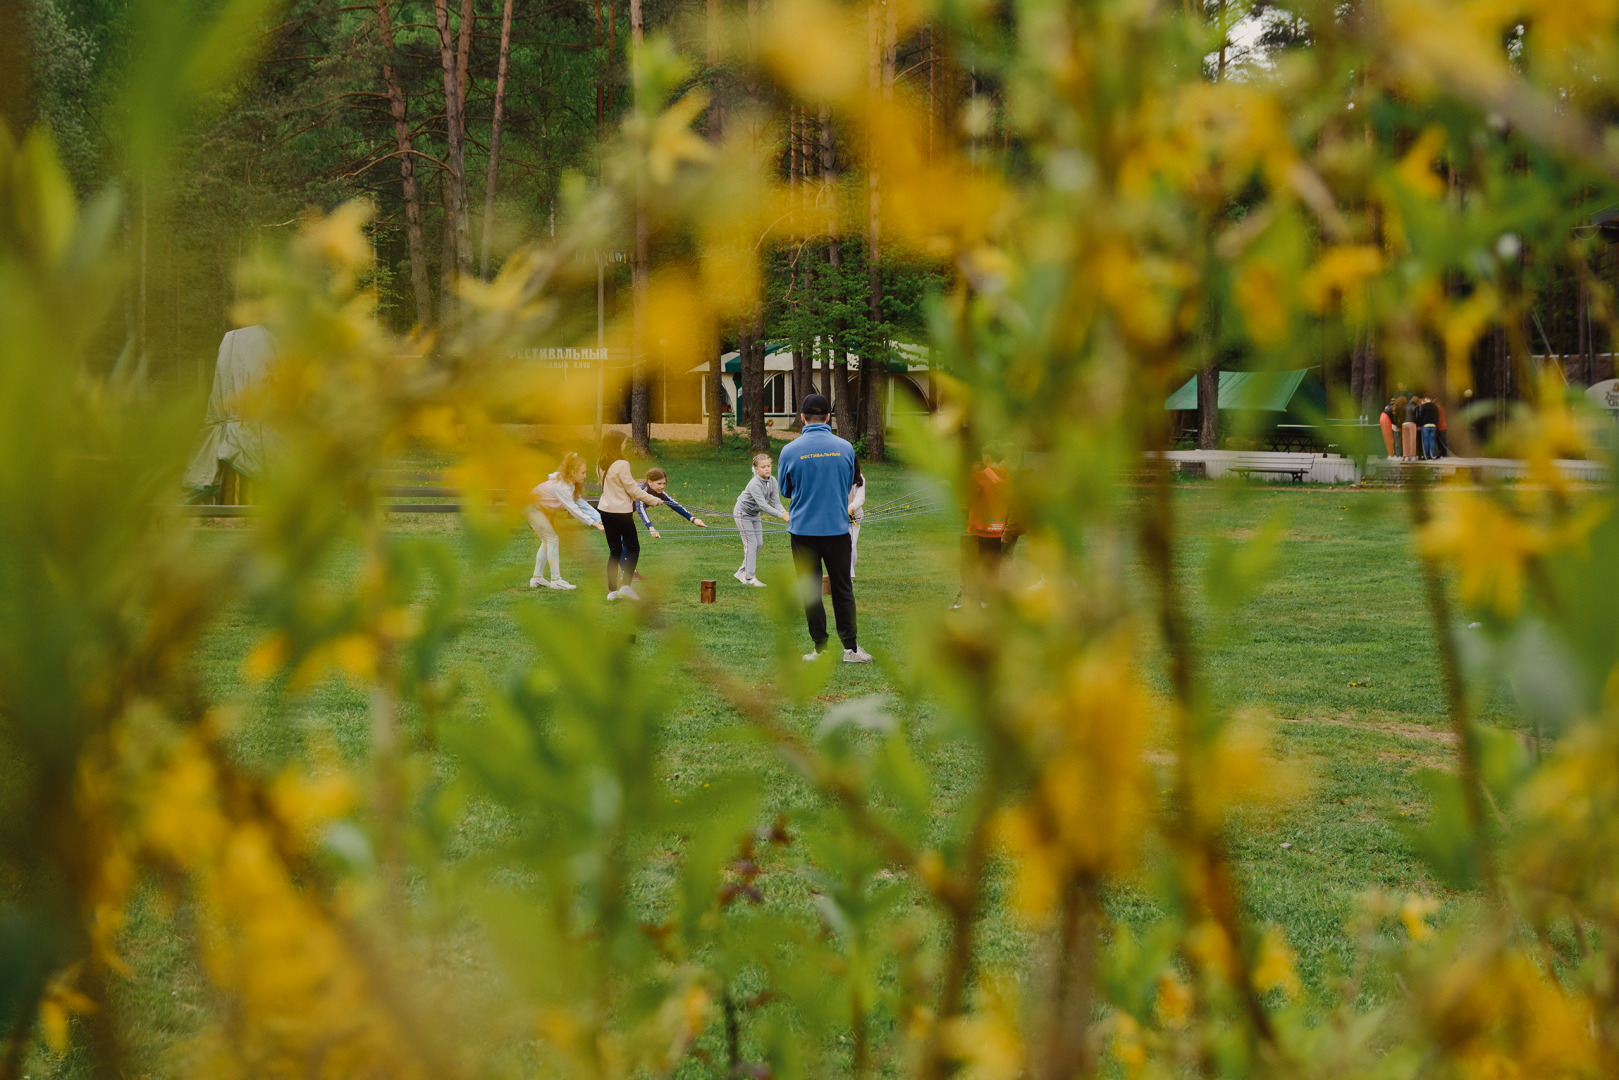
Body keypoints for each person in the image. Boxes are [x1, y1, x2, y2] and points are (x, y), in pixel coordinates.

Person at [778, 393, 871, 663]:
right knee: (843, 589)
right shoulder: (845, 447)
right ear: (828, 417)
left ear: (803, 417)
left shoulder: (789, 450)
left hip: (803, 531)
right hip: (837, 529)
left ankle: (821, 649)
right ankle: (851, 650)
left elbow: (785, 490)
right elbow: (851, 484)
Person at [596, 431, 664, 600]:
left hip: (605, 511)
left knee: (614, 552)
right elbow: (633, 490)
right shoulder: (621, 464)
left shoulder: (601, 464)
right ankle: (626, 587)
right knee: (633, 548)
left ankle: (612, 592)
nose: (625, 445)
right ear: (616, 444)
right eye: (624, 442)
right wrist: (654, 500)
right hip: (621, 512)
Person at [527, 452, 604, 590]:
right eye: (583, 472)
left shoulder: (570, 484)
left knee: (548, 540)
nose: (585, 475)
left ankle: (537, 578)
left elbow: (582, 505)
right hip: (531, 508)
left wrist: (601, 521)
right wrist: (595, 525)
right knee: (553, 539)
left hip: (538, 509)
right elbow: (574, 510)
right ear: (573, 472)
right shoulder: (561, 487)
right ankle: (556, 580)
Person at [733, 452, 789, 587]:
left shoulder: (773, 480)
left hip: (754, 514)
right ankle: (749, 578)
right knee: (751, 544)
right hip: (743, 513)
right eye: (763, 467)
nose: (767, 469)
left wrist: (785, 512)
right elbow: (763, 505)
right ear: (756, 469)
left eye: (769, 466)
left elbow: (776, 502)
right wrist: (781, 516)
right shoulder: (754, 484)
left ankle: (742, 571)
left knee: (759, 544)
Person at [635, 467, 707, 538]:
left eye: (664, 483)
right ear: (650, 482)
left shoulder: (660, 492)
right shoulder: (641, 490)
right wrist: (651, 528)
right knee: (630, 544)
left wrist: (693, 519)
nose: (662, 486)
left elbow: (674, 505)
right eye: (659, 484)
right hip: (624, 513)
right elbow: (640, 509)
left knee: (631, 545)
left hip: (627, 514)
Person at [848, 459, 867, 580]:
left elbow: (860, 499)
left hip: (854, 518)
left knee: (851, 545)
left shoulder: (860, 478)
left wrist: (850, 509)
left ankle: (850, 573)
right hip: (838, 517)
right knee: (844, 545)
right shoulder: (835, 475)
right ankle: (848, 575)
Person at [1418, 394, 1440, 460]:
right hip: (1433, 425)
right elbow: (1437, 416)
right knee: (1432, 441)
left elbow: (1420, 416)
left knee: (1425, 441)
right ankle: (1432, 455)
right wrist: (1435, 422)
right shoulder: (1435, 406)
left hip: (1425, 425)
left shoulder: (1423, 406)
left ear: (1426, 399)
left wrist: (1420, 423)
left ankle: (1426, 456)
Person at [1401, 391, 1421, 461]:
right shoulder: (1416, 407)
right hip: (1412, 423)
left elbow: (1402, 416)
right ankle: (1413, 456)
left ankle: (1406, 456)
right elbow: (1417, 417)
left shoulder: (1405, 406)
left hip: (1404, 424)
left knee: (1405, 440)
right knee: (1412, 440)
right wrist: (1418, 425)